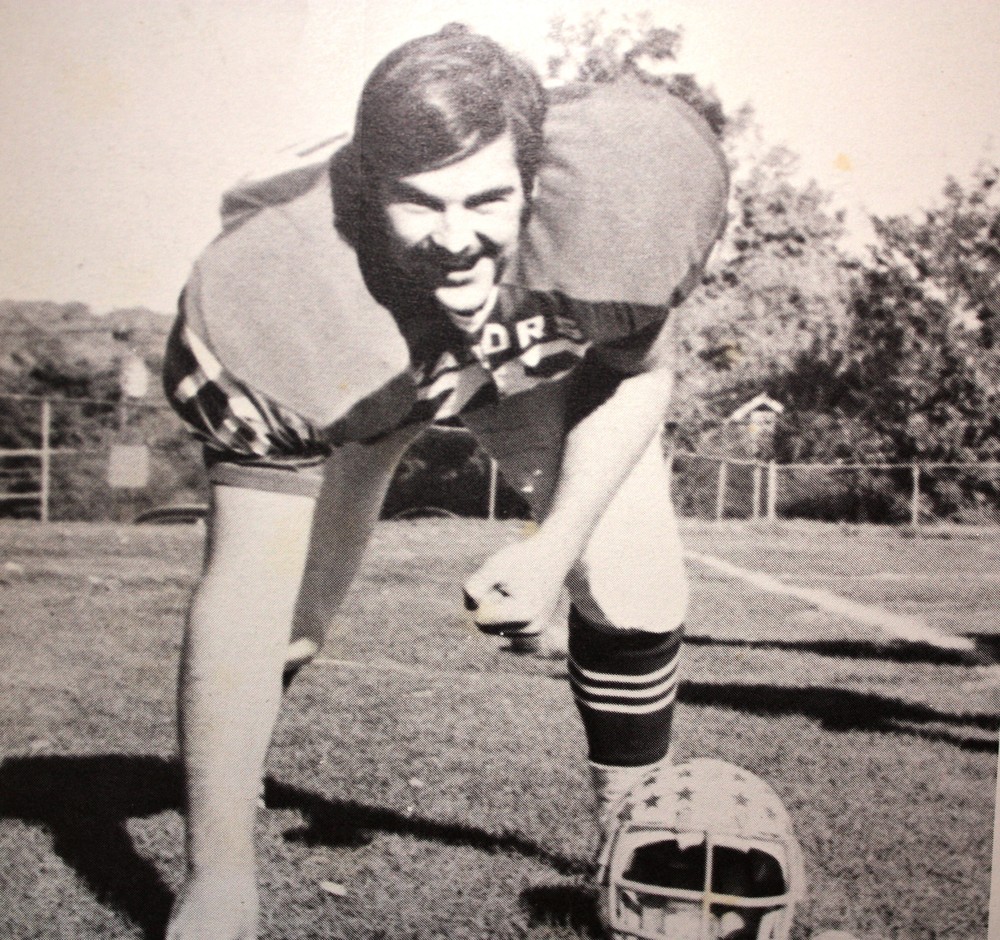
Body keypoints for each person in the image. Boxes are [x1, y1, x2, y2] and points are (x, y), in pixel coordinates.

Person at [163, 24, 728, 940]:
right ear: (366, 188)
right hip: (359, 365)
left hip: (521, 363)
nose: (456, 239)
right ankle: (224, 841)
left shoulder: (620, 198)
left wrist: (552, 546)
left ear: (537, 179)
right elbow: (241, 594)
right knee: (284, 621)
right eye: (419, 202)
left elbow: (640, 370)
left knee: (635, 581)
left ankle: (631, 833)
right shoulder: (280, 288)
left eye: (488, 198)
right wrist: (214, 882)